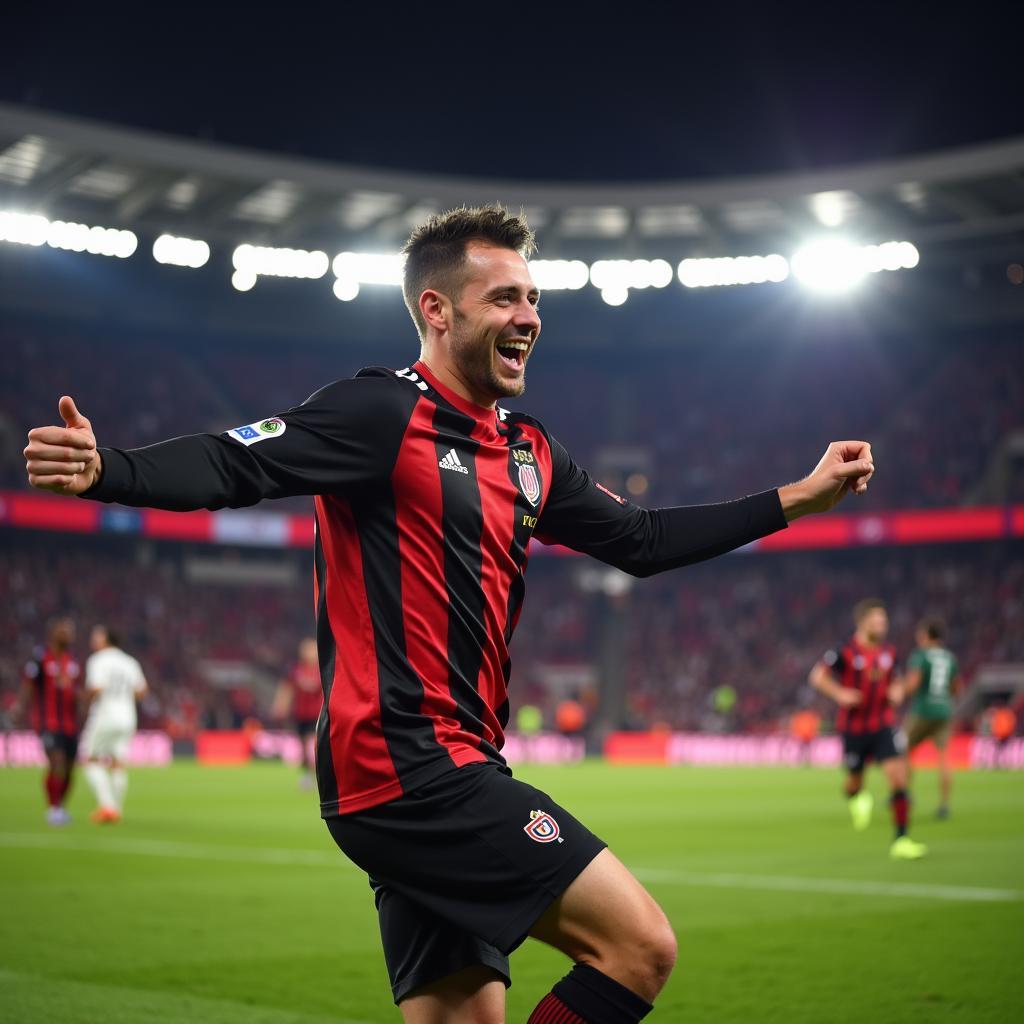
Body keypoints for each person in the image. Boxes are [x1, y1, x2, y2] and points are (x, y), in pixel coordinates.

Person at [24, 205, 876, 1023]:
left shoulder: (529, 451)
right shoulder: (380, 412)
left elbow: (643, 540)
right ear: (436, 310)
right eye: (504, 297)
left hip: (451, 765)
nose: (529, 315)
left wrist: (798, 497)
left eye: (534, 298)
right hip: (407, 766)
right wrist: (109, 471)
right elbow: (234, 462)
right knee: (639, 949)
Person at [809, 598, 926, 860]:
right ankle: (857, 797)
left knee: (898, 777)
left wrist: (897, 692)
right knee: (853, 783)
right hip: (853, 729)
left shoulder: (889, 652)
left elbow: (896, 681)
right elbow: (817, 677)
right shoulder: (845, 652)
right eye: (876, 621)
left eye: (884, 621)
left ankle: (902, 839)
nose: (882, 626)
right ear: (862, 623)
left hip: (883, 724)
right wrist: (840, 693)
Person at [13, 617, 82, 826]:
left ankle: (60, 806)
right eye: (65, 630)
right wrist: (19, 708)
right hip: (48, 723)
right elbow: (28, 686)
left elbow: (75, 692)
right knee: (57, 763)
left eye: (72, 631)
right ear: (54, 633)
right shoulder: (40, 658)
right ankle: (53, 809)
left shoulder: (73, 662)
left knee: (70, 769)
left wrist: (83, 702)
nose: (70, 635)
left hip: (70, 724)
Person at [80, 624, 149, 823]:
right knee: (118, 763)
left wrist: (82, 699)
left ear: (106, 639)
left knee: (90, 759)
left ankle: (107, 806)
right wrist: (124, 695)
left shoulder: (98, 660)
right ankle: (116, 809)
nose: (93, 640)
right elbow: (142, 691)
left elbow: (97, 688)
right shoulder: (130, 662)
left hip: (105, 715)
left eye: (96, 636)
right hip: (128, 716)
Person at [903, 617, 962, 818]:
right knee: (944, 758)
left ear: (927, 635)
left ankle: (904, 795)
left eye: (920, 634)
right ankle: (945, 804)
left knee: (903, 750)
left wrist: (900, 688)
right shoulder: (949, 657)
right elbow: (956, 688)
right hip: (944, 711)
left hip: (922, 711)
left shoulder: (921, 656)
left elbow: (912, 685)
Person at [272, 636, 322, 789]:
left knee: (313, 744)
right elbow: (287, 688)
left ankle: (318, 775)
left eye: (312, 649)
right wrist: (280, 705)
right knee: (303, 746)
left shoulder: (322, 668)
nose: (310, 653)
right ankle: (307, 775)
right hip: (301, 713)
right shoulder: (297, 670)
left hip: (317, 714)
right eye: (307, 649)